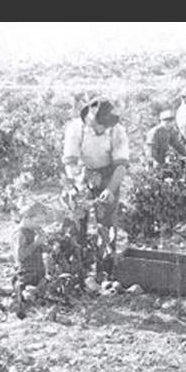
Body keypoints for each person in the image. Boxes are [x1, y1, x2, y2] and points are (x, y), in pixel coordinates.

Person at [62, 97, 130, 280]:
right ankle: (79, 267)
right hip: (83, 172)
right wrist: (75, 185)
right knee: (77, 219)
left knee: (106, 221)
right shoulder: (76, 128)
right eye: (99, 124)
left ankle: (105, 269)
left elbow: (121, 166)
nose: (101, 128)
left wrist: (110, 189)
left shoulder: (117, 131)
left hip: (109, 172)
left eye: (104, 125)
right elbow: (70, 161)